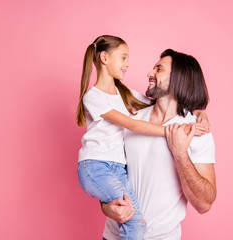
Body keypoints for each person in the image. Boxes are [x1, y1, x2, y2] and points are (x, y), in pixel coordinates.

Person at [76, 36, 210, 240]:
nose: (148, 72)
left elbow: (205, 204)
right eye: (123, 58)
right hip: (113, 233)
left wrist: (200, 112)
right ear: (104, 58)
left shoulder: (195, 131)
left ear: (179, 79)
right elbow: (109, 172)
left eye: (158, 69)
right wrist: (107, 208)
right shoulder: (130, 113)